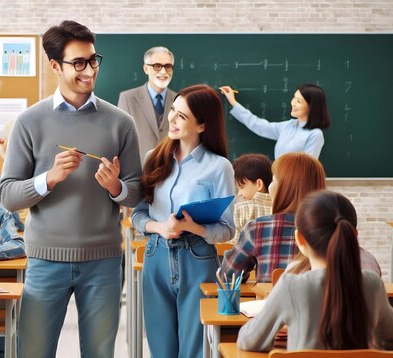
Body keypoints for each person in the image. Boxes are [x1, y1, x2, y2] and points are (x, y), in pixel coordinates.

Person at [0, 20, 142, 358]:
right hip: (45, 259)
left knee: (100, 353)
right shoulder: (29, 122)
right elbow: (7, 195)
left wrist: (116, 187)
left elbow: (137, 192)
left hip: (104, 261)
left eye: (93, 60)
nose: (89, 70)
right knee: (33, 352)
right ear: (54, 66)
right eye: (78, 63)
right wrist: (48, 179)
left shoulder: (120, 122)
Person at [131, 84, 235, 357]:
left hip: (198, 259)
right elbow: (138, 215)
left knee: (194, 350)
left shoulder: (218, 167)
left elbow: (227, 230)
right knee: (161, 350)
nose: (172, 121)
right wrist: (160, 227)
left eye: (182, 117)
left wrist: (192, 227)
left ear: (202, 126)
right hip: (155, 257)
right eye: (173, 112)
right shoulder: (153, 158)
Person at [237, 190, 393, 352]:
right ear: (354, 235)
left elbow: (249, 341)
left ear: (300, 239)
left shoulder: (291, 286)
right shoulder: (372, 284)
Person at [221, 152, 326, 282]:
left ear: (284, 188)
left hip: (271, 301)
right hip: (317, 302)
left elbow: (227, 275)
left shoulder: (257, 228)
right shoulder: (330, 229)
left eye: (273, 179)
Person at [220, 84, 331, 159]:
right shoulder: (289, 125)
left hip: (296, 188)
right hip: (278, 182)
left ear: (311, 106)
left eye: (299, 101)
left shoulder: (315, 134)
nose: (293, 103)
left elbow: (308, 168)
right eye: (294, 98)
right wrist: (233, 102)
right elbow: (258, 125)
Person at [118, 46, 177, 162]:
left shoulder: (180, 100)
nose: (163, 71)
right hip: (140, 172)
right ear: (146, 69)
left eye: (168, 66)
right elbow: (121, 140)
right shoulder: (128, 98)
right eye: (157, 66)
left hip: (173, 170)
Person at [231, 153, 273, 243]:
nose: (239, 193)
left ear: (259, 184)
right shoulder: (282, 207)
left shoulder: (242, 209)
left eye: (241, 187)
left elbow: (234, 243)